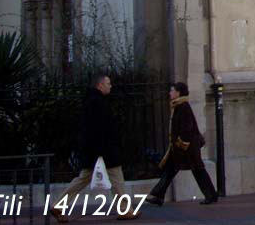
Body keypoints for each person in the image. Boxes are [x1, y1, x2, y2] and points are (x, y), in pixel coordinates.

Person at [49, 74, 138, 222]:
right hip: (104, 148)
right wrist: (110, 146)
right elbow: (102, 128)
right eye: (108, 83)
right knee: (116, 176)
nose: (111, 86)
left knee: (83, 178)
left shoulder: (90, 101)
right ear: (100, 85)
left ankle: (59, 204)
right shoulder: (98, 103)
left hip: (92, 148)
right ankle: (124, 210)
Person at [146, 82, 218, 206]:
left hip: (187, 148)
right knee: (170, 170)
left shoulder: (183, 106)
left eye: (172, 90)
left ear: (178, 93)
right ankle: (158, 195)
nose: (170, 93)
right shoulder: (178, 106)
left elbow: (187, 128)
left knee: (198, 170)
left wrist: (181, 143)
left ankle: (211, 195)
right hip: (180, 148)